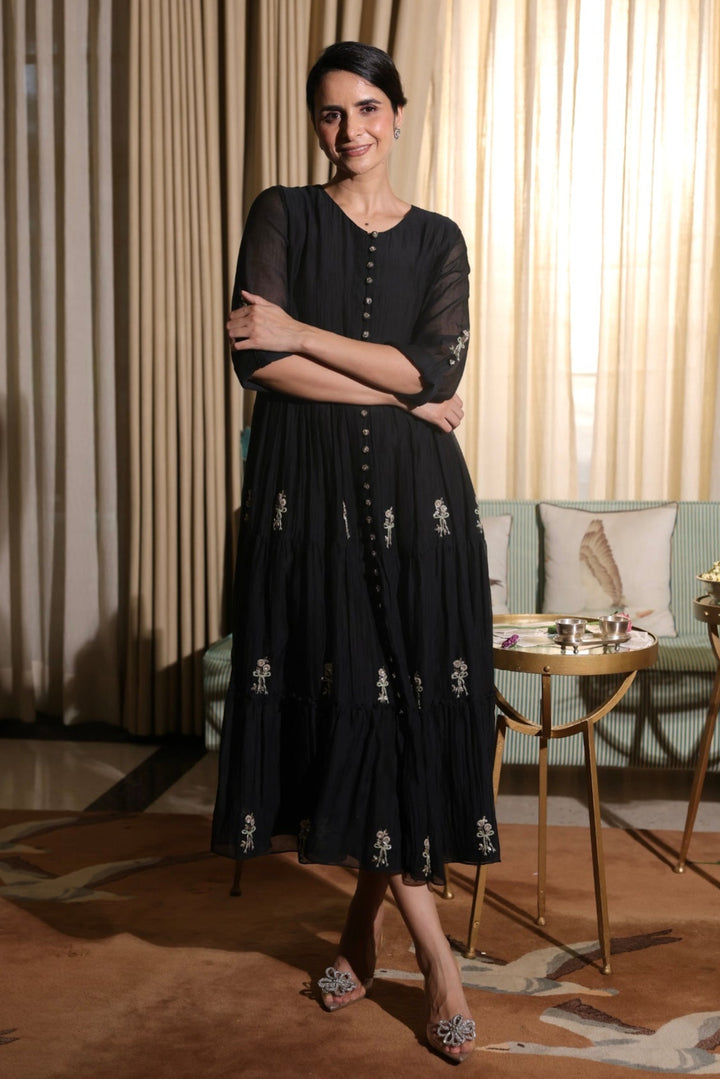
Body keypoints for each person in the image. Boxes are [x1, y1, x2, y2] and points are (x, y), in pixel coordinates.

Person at [212, 40, 500, 1064]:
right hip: (316, 505)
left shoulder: (442, 238)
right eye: (332, 113)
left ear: (400, 113)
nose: (352, 131)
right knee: (363, 706)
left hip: (424, 513)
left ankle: (357, 931)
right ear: (314, 123)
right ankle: (442, 968)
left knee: (408, 715)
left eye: (369, 108)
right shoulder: (281, 213)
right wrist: (401, 396)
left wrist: (310, 331)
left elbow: (435, 360)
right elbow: (260, 359)